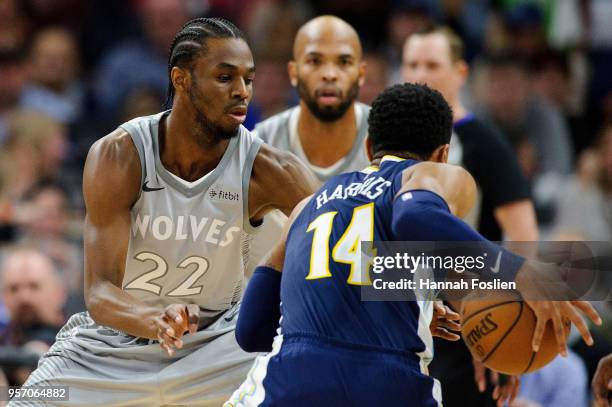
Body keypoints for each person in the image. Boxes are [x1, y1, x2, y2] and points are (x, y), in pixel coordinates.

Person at [225, 83, 600, 407]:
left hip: (293, 380)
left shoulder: (309, 205)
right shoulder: (432, 173)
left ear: (370, 145)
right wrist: (517, 270)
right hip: (390, 385)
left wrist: (411, 299)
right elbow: (413, 217)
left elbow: (252, 330)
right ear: (443, 153)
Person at [13, 17, 318, 406]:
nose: (242, 92)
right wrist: (154, 320)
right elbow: (100, 292)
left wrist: (420, 285)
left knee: (312, 384)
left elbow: (349, 241)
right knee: (26, 399)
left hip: (219, 348)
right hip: (113, 349)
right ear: (182, 79)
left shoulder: (271, 169)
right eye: (225, 78)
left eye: (248, 79)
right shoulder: (119, 154)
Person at [402, 25, 538, 407]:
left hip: (464, 323)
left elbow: (523, 233)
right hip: (403, 311)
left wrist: (504, 318)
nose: (421, 73)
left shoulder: (484, 142)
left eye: (432, 64)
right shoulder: (389, 138)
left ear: (460, 72)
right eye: (412, 63)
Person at [249, 15, 369, 271]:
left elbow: (421, 255)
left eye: (344, 62)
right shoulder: (261, 144)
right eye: (315, 61)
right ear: (293, 72)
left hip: (367, 304)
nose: (329, 74)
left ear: (361, 74)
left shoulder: (392, 139)